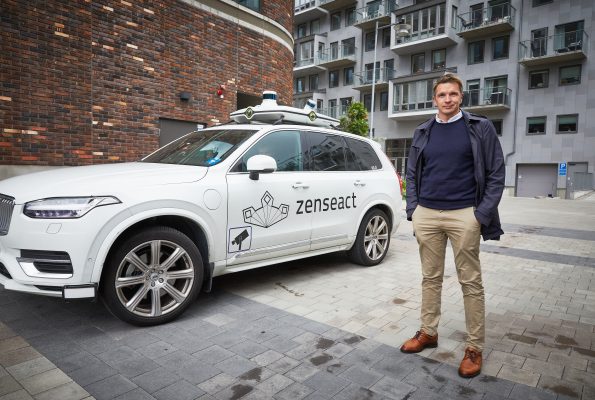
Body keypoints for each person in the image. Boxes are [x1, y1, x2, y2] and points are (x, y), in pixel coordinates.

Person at [400, 73, 505, 378]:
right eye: (442, 95)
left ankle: (474, 347)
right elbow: (412, 172)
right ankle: (428, 332)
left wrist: (480, 215)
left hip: (464, 215)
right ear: (435, 99)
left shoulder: (480, 128)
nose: (447, 99)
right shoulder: (423, 131)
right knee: (430, 278)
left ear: (461, 97)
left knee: (470, 282)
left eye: (453, 94)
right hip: (427, 214)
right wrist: (414, 209)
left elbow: (496, 174)